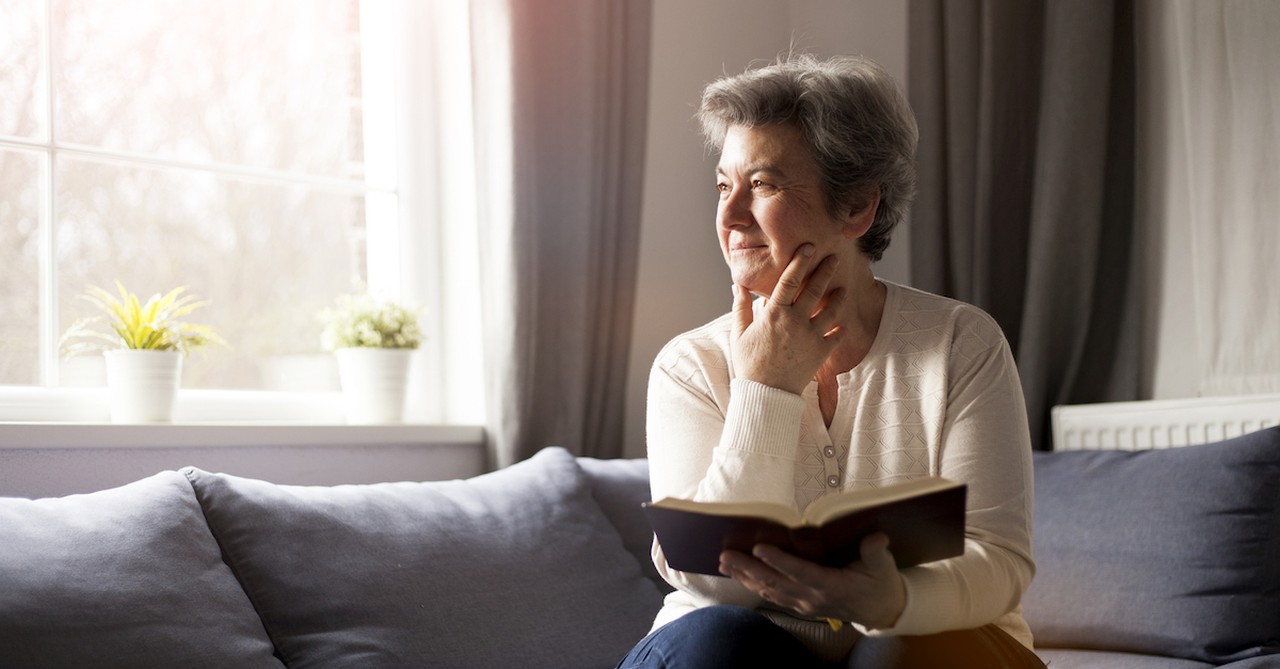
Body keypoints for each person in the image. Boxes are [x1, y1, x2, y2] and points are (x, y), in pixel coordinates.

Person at [616, 54, 1047, 669]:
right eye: (722, 185)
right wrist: (765, 386)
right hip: (732, 651)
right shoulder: (690, 365)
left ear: (857, 209)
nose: (730, 215)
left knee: (894, 653)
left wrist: (894, 599)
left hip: (922, 642)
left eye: (761, 185)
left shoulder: (960, 343)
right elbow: (703, 576)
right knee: (718, 641)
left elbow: (998, 559)